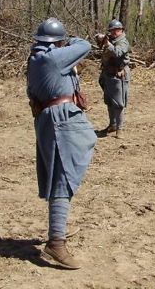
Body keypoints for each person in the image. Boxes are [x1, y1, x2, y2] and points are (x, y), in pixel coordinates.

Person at [27, 18, 96, 269]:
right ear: (57, 42)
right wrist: (71, 41)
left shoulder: (36, 58)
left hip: (50, 119)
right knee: (63, 178)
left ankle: (58, 233)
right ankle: (56, 242)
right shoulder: (52, 58)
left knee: (62, 176)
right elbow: (84, 45)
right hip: (60, 121)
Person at [95, 20, 130, 137]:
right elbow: (97, 39)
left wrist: (107, 44)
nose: (115, 32)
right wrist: (100, 37)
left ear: (121, 30)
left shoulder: (123, 42)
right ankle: (112, 125)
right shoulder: (109, 39)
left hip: (118, 74)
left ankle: (119, 129)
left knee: (118, 102)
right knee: (109, 100)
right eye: (112, 30)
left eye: (117, 30)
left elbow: (117, 53)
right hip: (107, 74)